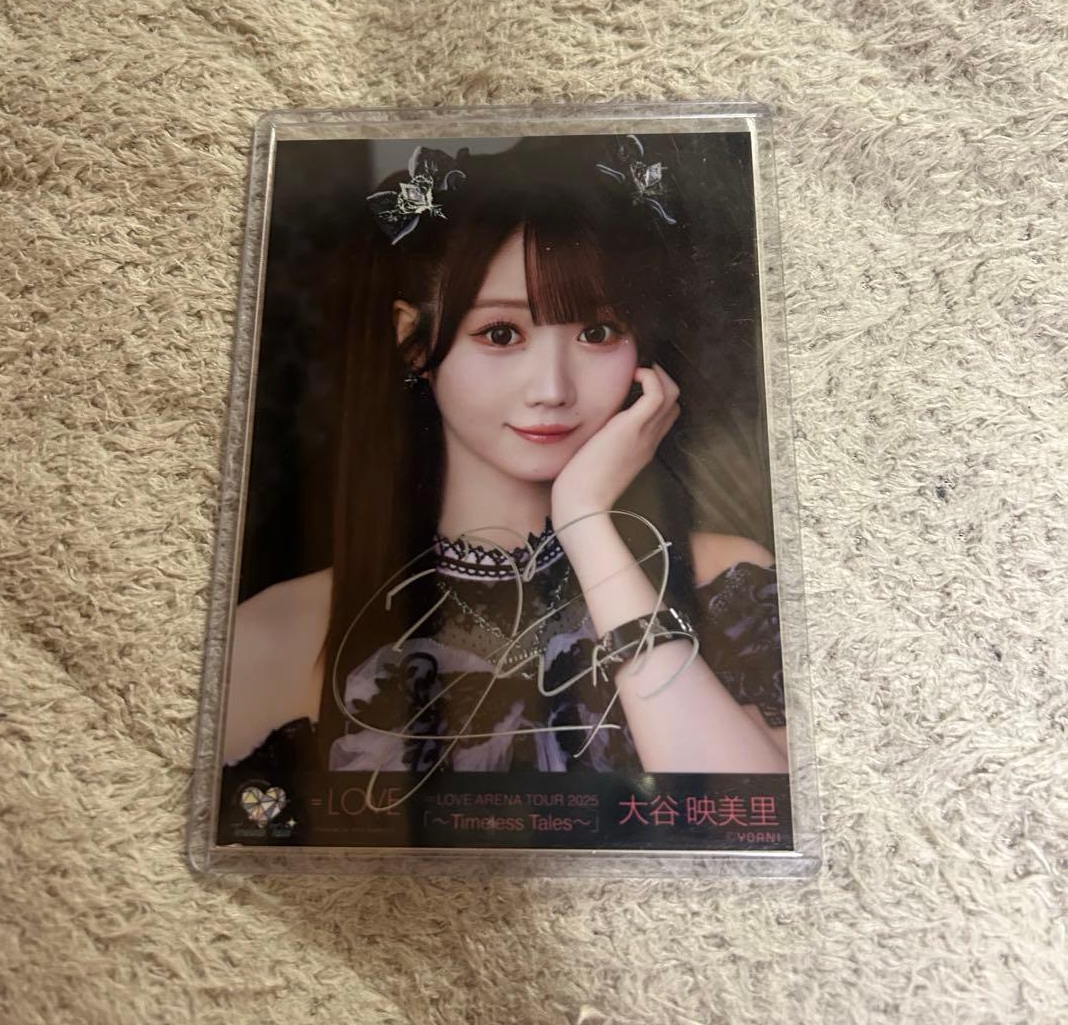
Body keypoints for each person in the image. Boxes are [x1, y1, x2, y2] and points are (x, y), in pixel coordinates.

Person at [220, 135, 788, 803]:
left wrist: (585, 520)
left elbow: (744, 818)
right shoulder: (279, 632)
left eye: (597, 332)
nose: (552, 388)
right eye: (501, 334)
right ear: (413, 342)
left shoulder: (727, 584)